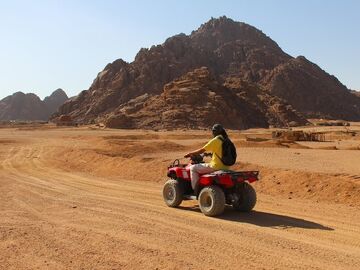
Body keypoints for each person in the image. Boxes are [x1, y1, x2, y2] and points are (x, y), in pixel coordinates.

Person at [184, 124, 230, 194]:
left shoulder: (216, 140)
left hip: (215, 166)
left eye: (213, 131)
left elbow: (202, 150)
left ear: (215, 132)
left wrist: (190, 154)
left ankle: (196, 190)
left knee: (193, 168)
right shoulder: (227, 140)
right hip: (226, 167)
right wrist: (210, 154)